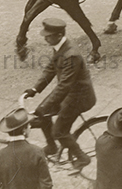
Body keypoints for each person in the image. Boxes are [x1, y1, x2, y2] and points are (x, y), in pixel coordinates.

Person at [22, 18, 97, 171]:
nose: (45, 38)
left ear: (59, 34)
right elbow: (51, 68)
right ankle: (51, 147)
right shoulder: (59, 47)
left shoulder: (71, 55)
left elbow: (64, 86)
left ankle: (82, 158)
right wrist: (35, 89)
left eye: (48, 35)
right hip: (69, 94)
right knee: (41, 116)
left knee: (59, 131)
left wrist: (43, 107)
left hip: (79, 98)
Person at [0, 108, 53, 189]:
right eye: (28, 125)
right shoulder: (37, 152)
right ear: (24, 130)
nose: (30, 127)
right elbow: (46, 184)